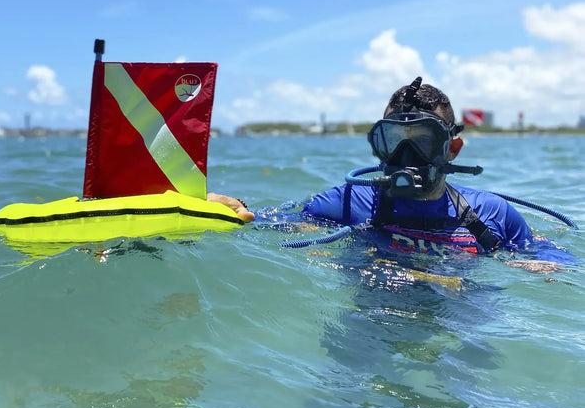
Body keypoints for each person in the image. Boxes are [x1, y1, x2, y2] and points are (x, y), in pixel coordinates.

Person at [209, 77, 573, 271]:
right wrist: (224, 207)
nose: (406, 156)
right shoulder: (350, 200)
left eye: (423, 142)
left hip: (458, 323)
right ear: (377, 146)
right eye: (394, 140)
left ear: (452, 149)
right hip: (372, 320)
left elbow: (551, 256)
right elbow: (265, 222)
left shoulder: (491, 214)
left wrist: (548, 266)